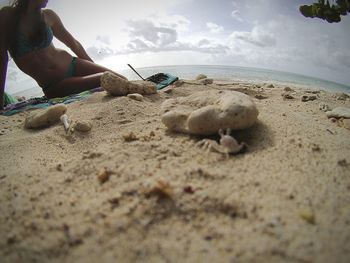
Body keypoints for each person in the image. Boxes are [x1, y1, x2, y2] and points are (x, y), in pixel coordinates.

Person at [0, 0, 130, 111]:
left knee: (121, 80)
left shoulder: (48, 15)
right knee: (105, 79)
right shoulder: (7, 16)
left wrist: (93, 66)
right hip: (55, 84)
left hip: (73, 63)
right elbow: (2, 58)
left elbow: (74, 45)